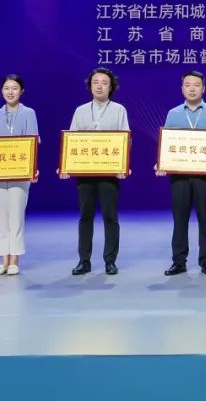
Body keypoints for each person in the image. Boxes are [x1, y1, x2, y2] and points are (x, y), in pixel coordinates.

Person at [158, 70, 206, 277]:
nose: (192, 89)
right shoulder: (173, 113)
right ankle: (178, 262)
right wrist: (161, 163)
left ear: (203, 88)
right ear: (182, 89)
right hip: (180, 176)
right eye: (187, 85)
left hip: (205, 176)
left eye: (196, 85)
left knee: (205, 218)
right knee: (180, 219)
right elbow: (167, 144)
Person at [66, 67, 130, 276]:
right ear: (90, 86)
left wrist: (122, 166)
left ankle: (110, 261)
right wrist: (66, 165)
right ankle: (84, 261)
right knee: (85, 217)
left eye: (104, 82)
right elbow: (71, 141)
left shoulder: (119, 110)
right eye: (95, 82)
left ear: (111, 87)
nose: (100, 86)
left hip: (110, 174)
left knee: (110, 217)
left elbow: (126, 140)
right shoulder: (80, 110)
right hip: (85, 173)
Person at [0, 74, 39, 276]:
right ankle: (3, 260)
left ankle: (14, 260)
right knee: (0, 216)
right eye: (6, 88)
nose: (10, 92)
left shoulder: (28, 113)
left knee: (16, 215)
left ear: (21, 91)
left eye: (14, 88)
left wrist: (32, 168)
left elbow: (34, 141)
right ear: (1, 91)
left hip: (20, 172)